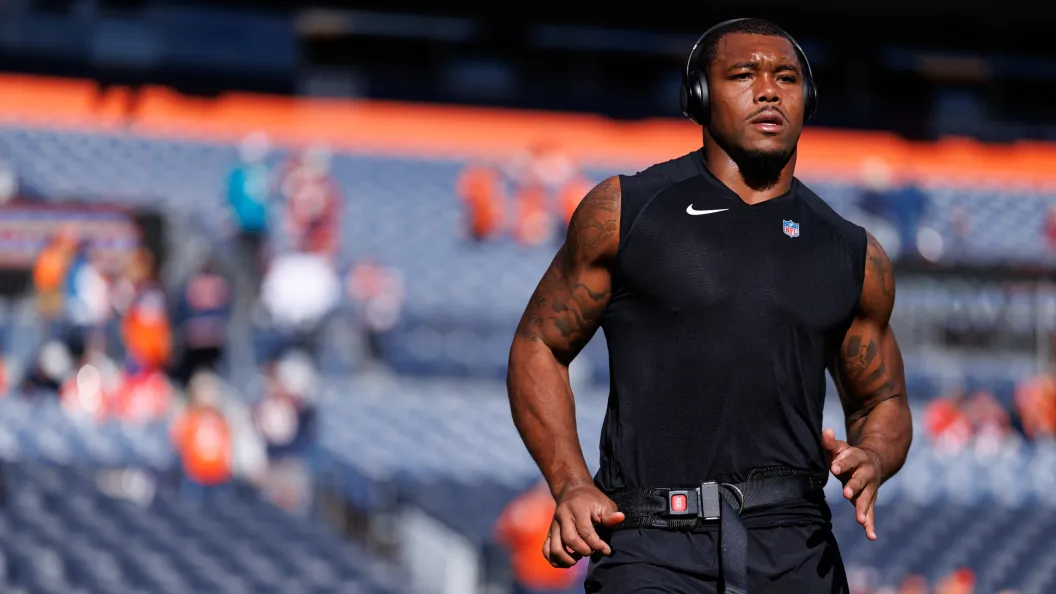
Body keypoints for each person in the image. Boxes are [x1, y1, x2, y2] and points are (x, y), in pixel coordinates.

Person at [506, 18, 913, 594]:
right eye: (744, 75)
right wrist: (569, 481)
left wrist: (874, 454)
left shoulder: (852, 252)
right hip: (648, 540)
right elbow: (538, 345)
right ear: (698, 96)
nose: (768, 91)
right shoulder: (625, 211)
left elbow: (883, 399)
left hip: (796, 546)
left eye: (787, 78)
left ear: (809, 99)